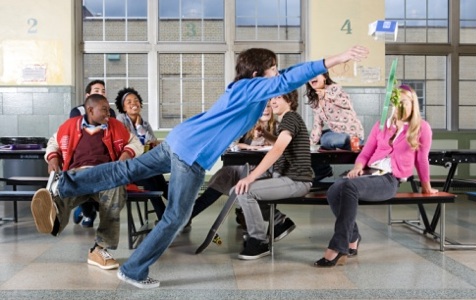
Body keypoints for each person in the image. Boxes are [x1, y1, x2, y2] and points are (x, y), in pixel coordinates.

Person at [31, 45, 368, 289]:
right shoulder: (251, 87)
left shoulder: (244, 91)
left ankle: (63, 184)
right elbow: (289, 80)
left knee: (124, 172)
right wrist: (335, 59)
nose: (277, 74)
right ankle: (133, 270)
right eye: (273, 68)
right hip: (190, 155)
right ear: (257, 74)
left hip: (179, 141)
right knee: (176, 216)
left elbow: (266, 95)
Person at [313, 85, 438, 268]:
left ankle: (338, 246)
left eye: (405, 102)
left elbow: (421, 160)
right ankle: (353, 237)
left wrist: (426, 186)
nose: (400, 106)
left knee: (349, 187)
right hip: (368, 173)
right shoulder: (381, 126)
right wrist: (357, 168)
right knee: (334, 190)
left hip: (389, 179)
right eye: (397, 102)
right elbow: (365, 153)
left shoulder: (422, 128)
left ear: (413, 105)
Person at [31, 94, 143, 270]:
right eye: (104, 110)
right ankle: (53, 222)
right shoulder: (70, 125)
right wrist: (52, 159)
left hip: (106, 176)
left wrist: (126, 155)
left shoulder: (115, 125)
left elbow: (135, 142)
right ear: (90, 110)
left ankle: (100, 248)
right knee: (65, 187)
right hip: (78, 175)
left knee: (114, 190)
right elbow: (53, 142)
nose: (109, 113)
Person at [187, 102, 293, 238]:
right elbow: (232, 143)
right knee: (223, 177)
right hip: (243, 166)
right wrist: (249, 147)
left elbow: (282, 147)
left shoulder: (279, 127)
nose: (265, 110)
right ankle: (187, 216)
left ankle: (277, 219)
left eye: (268, 107)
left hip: (264, 169)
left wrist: (263, 141)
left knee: (245, 189)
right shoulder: (247, 126)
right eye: (262, 107)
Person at [235, 90, 312, 260]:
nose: (273, 102)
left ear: (290, 100)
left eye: (278, 97)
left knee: (244, 190)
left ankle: (259, 241)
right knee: (246, 189)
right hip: (292, 179)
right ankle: (280, 224)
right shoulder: (288, 119)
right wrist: (266, 134)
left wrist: (251, 176)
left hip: (297, 181)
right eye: (272, 98)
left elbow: (278, 149)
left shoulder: (290, 118)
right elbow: (279, 143)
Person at [114, 87, 168, 219]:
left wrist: (139, 128)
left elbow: (152, 143)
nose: (134, 103)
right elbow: (131, 143)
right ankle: (164, 218)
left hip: (144, 165)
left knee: (159, 179)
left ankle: (180, 213)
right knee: (150, 178)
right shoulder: (120, 120)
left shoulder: (144, 123)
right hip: (127, 168)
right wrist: (140, 132)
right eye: (129, 102)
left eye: (136, 100)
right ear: (124, 107)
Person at [70, 79, 116, 227]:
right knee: (81, 177)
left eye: (103, 91)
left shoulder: (111, 112)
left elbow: (113, 134)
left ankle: (87, 209)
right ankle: (87, 213)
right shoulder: (77, 111)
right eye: (96, 91)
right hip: (82, 158)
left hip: (103, 157)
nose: (101, 94)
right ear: (87, 95)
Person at [305, 72, 365, 181]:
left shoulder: (334, 89)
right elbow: (317, 125)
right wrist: (310, 143)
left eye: (315, 74)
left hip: (352, 135)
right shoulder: (316, 101)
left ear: (324, 77)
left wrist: (327, 96)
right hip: (337, 133)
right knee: (313, 138)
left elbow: (347, 103)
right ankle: (323, 170)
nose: (311, 77)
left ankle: (352, 143)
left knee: (326, 140)